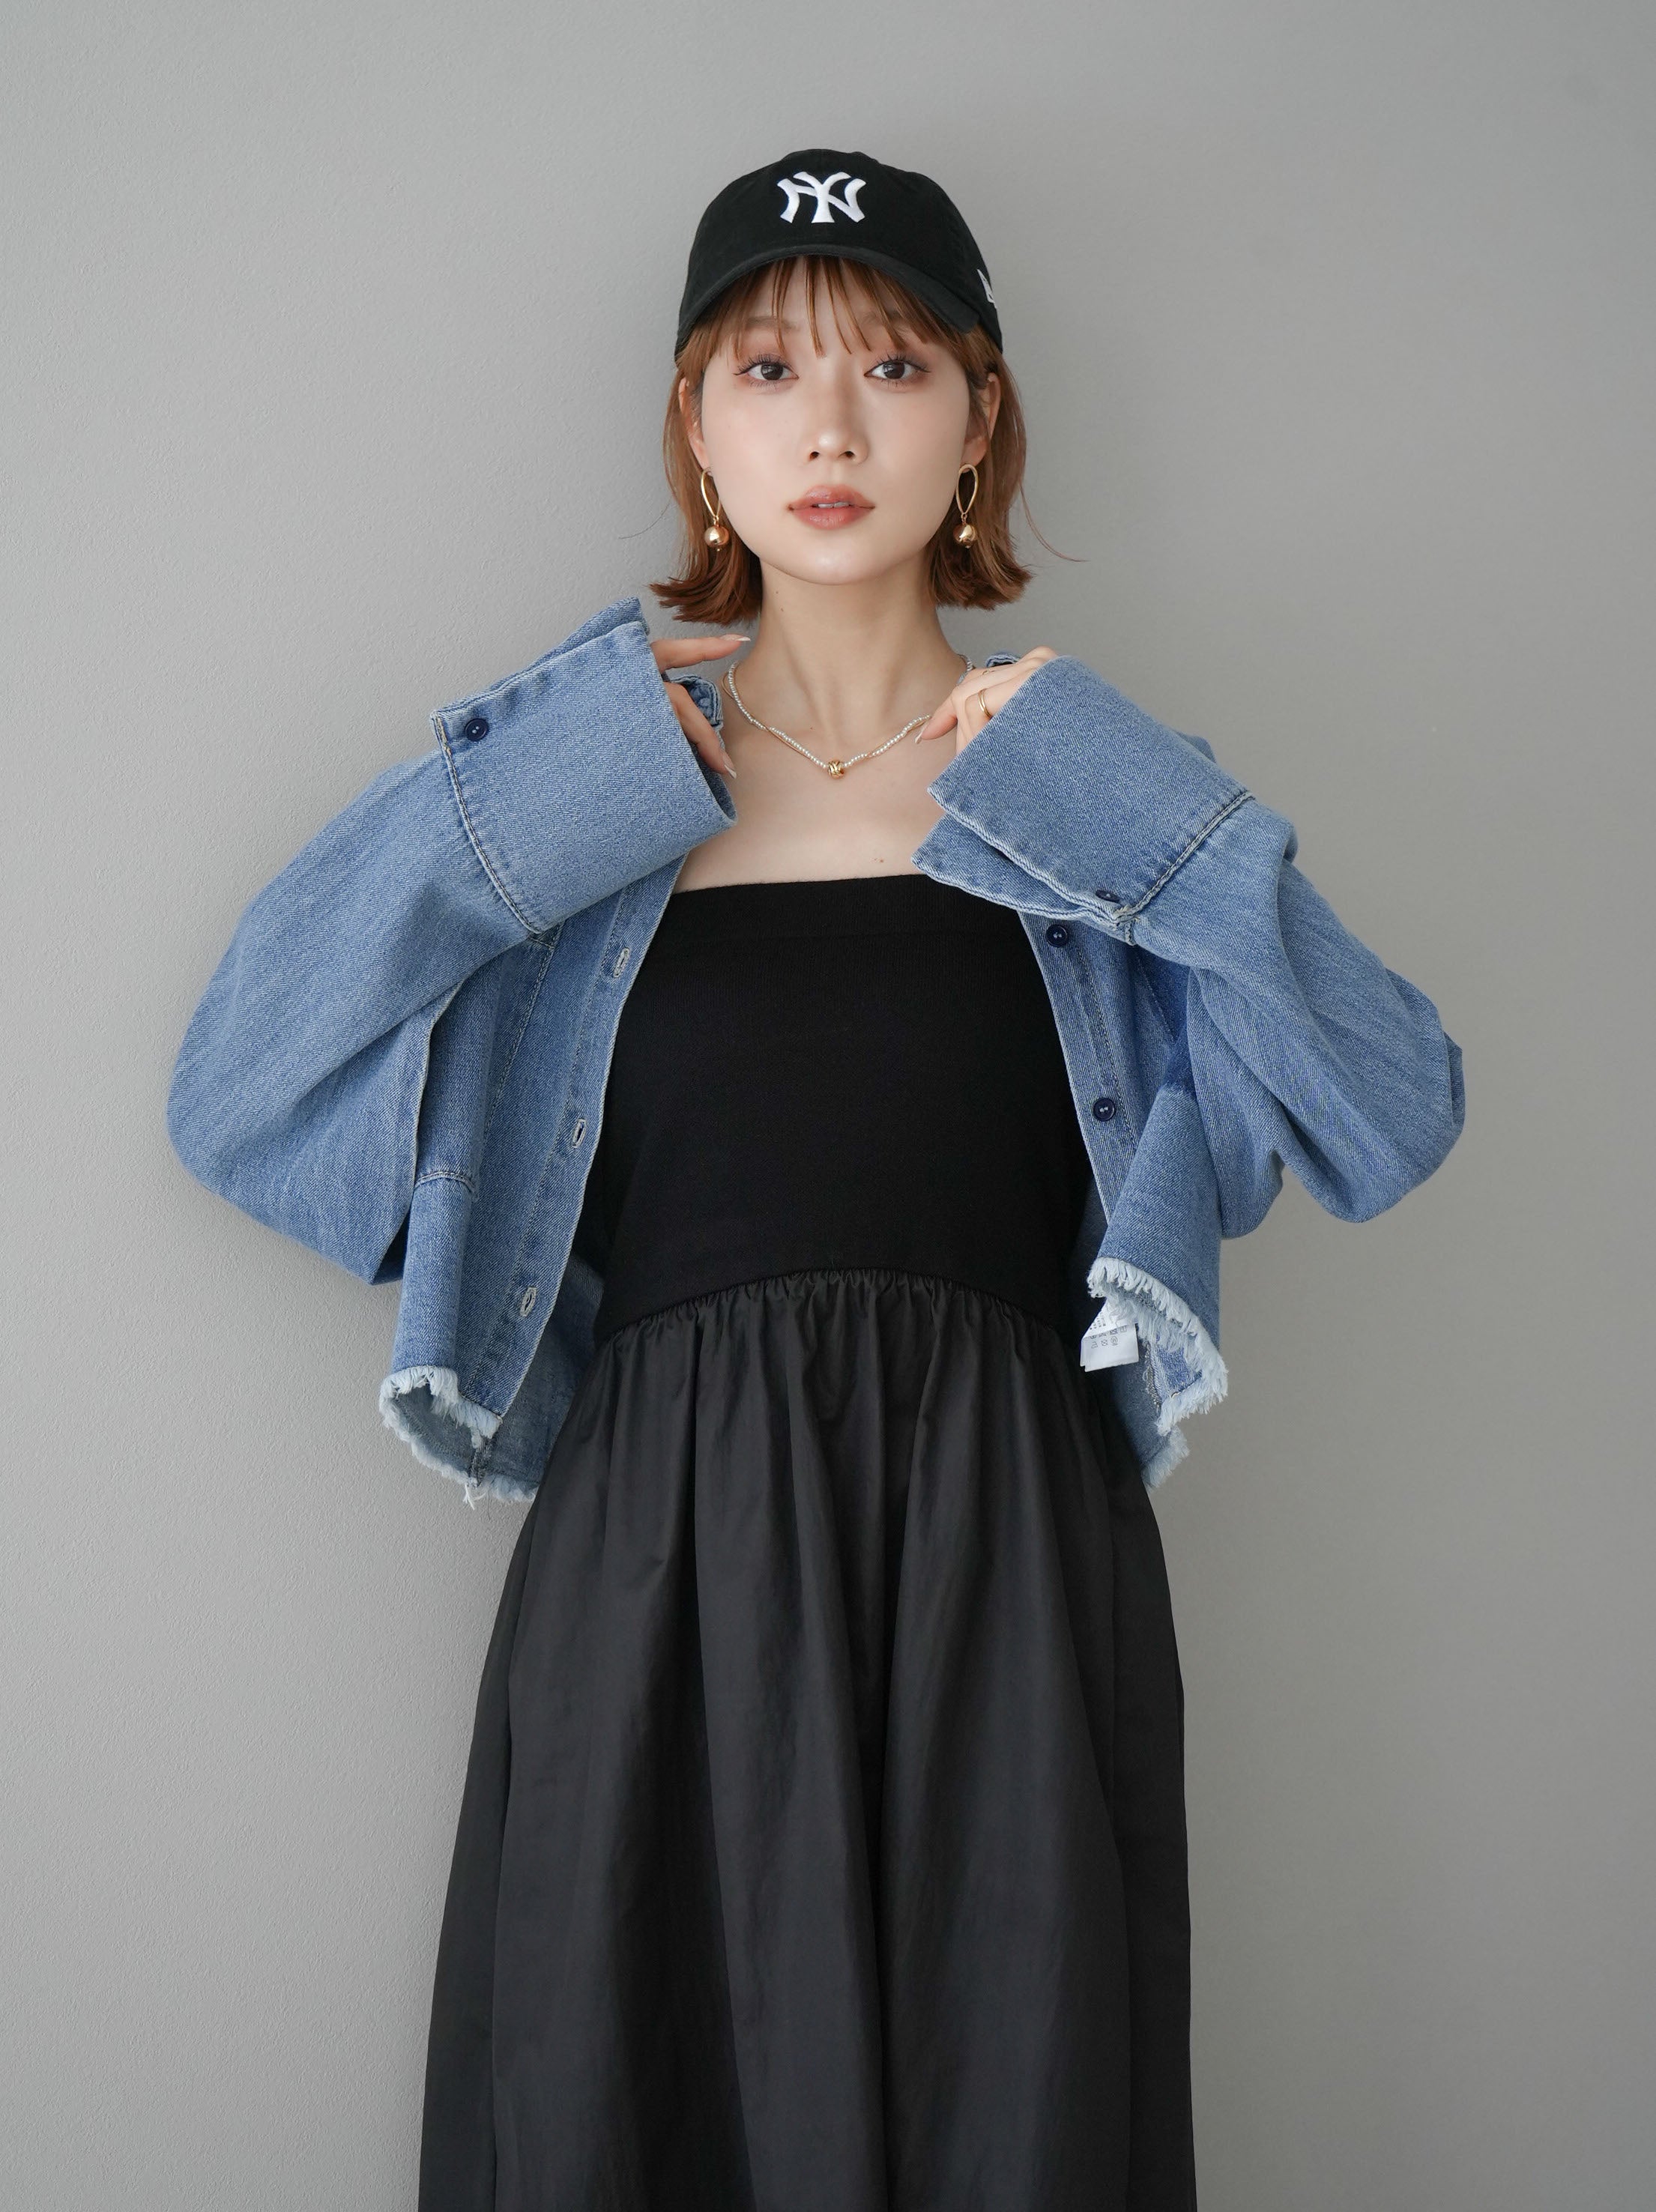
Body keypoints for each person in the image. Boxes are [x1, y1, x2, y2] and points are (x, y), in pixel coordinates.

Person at [166, 147, 1465, 2211]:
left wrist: (1121, 797)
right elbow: (239, 1087)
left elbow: (1392, 1111)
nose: (831, 426)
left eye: (895, 365)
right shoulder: (595, 806)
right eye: (766, 370)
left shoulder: (1086, 814)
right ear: (696, 429)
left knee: (1008, 2113)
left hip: (1006, 1556)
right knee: (628, 2105)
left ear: (979, 421)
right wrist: (569, 780)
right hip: (658, 1562)